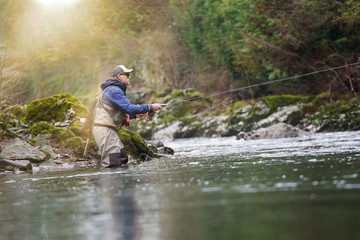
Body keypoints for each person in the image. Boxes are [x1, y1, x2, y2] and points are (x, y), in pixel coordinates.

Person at [92, 65, 166, 168]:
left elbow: (117, 112)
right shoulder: (114, 90)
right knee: (113, 162)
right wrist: (150, 107)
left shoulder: (114, 90)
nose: (129, 77)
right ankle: (111, 183)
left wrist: (136, 116)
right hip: (104, 130)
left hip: (107, 129)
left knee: (122, 157)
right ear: (119, 76)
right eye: (127, 74)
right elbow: (129, 108)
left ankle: (119, 183)